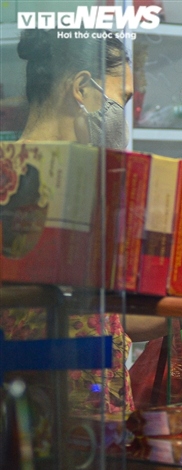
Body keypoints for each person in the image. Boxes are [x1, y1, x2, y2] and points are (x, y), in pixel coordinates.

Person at [3, 29, 137, 414]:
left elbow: (118, 313)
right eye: (121, 99)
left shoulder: (94, 183)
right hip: (29, 419)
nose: (122, 122)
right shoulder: (11, 183)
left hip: (96, 420)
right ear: (81, 88)